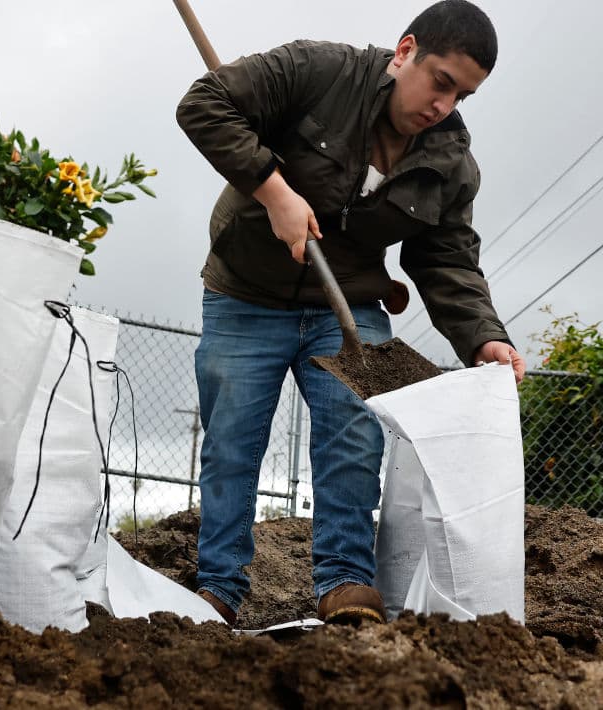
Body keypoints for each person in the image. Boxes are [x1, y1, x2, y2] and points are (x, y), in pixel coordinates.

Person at [175, 0, 527, 626]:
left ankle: (343, 582)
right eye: (440, 82)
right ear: (406, 50)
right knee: (230, 444)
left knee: (353, 438)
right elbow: (203, 104)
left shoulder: (448, 163)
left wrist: (483, 339)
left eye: (461, 96)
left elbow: (447, 261)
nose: (442, 105)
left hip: (351, 304)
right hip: (245, 295)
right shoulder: (317, 71)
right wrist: (274, 190)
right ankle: (219, 589)